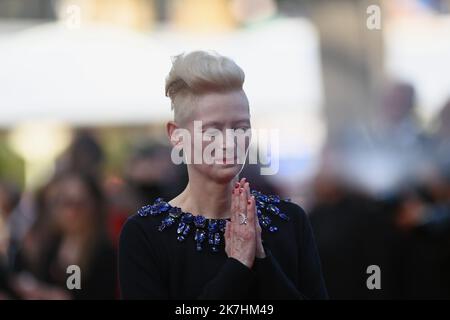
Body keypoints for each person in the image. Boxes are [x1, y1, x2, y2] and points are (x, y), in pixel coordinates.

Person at [118, 50, 327, 299]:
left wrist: (260, 257)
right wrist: (237, 266)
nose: (229, 142)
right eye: (212, 130)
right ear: (177, 135)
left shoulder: (289, 221)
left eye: (240, 128)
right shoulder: (146, 234)